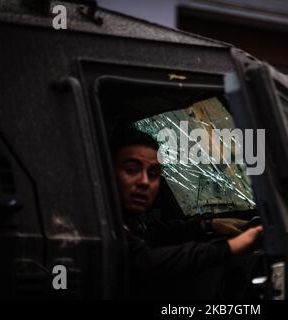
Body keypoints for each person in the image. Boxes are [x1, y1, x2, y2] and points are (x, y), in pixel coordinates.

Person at [110, 124, 263, 299]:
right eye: (131, 170)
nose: (144, 182)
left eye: (153, 173)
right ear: (108, 171)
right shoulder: (101, 226)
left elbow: (154, 232)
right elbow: (146, 261)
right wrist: (231, 247)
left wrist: (207, 225)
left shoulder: (129, 222)